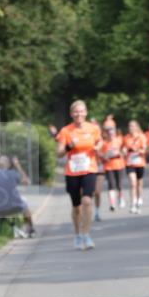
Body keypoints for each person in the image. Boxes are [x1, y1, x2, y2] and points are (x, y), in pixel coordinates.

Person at [56, 100, 101, 250]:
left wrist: (98, 146)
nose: (79, 114)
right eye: (76, 111)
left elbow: (100, 142)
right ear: (71, 114)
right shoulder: (66, 131)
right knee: (76, 207)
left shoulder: (93, 128)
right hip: (72, 172)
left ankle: (87, 235)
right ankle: (77, 235)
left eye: (81, 111)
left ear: (86, 112)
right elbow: (58, 153)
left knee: (87, 201)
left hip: (89, 169)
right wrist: (70, 146)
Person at [0, 155, 35, 236]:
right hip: (17, 206)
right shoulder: (13, 174)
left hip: (1, 208)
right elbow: (26, 182)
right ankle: (30, 229)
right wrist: (18, 166)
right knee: (25, 206)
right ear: (8, 164)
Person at [99, 123, 126, 211]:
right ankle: (112, 204)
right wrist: (105, 156)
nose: (111, 134)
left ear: (115, 132)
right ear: (106, 134)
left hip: (119, 164)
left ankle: (120, 198)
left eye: (112, 132)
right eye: (109, 133)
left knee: (119, 184)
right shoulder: (104, 143)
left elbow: (124, 150)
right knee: (111, 184)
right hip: (109, 166)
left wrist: (122, 152)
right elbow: (101, 155)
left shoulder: (119, 140)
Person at [122, 120, 147, 214]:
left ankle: (139, 198)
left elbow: (145, 150)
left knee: (139, 183)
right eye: (129, 126)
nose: (131, 128)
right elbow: (123, 148)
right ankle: (133, 202)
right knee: (133, 183)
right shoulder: (126, 137)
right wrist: (124, 150)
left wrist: (137, 150)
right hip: (129, 163)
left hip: (140, 162)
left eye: (132, 126)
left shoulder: (142, 137)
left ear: (137, 127)